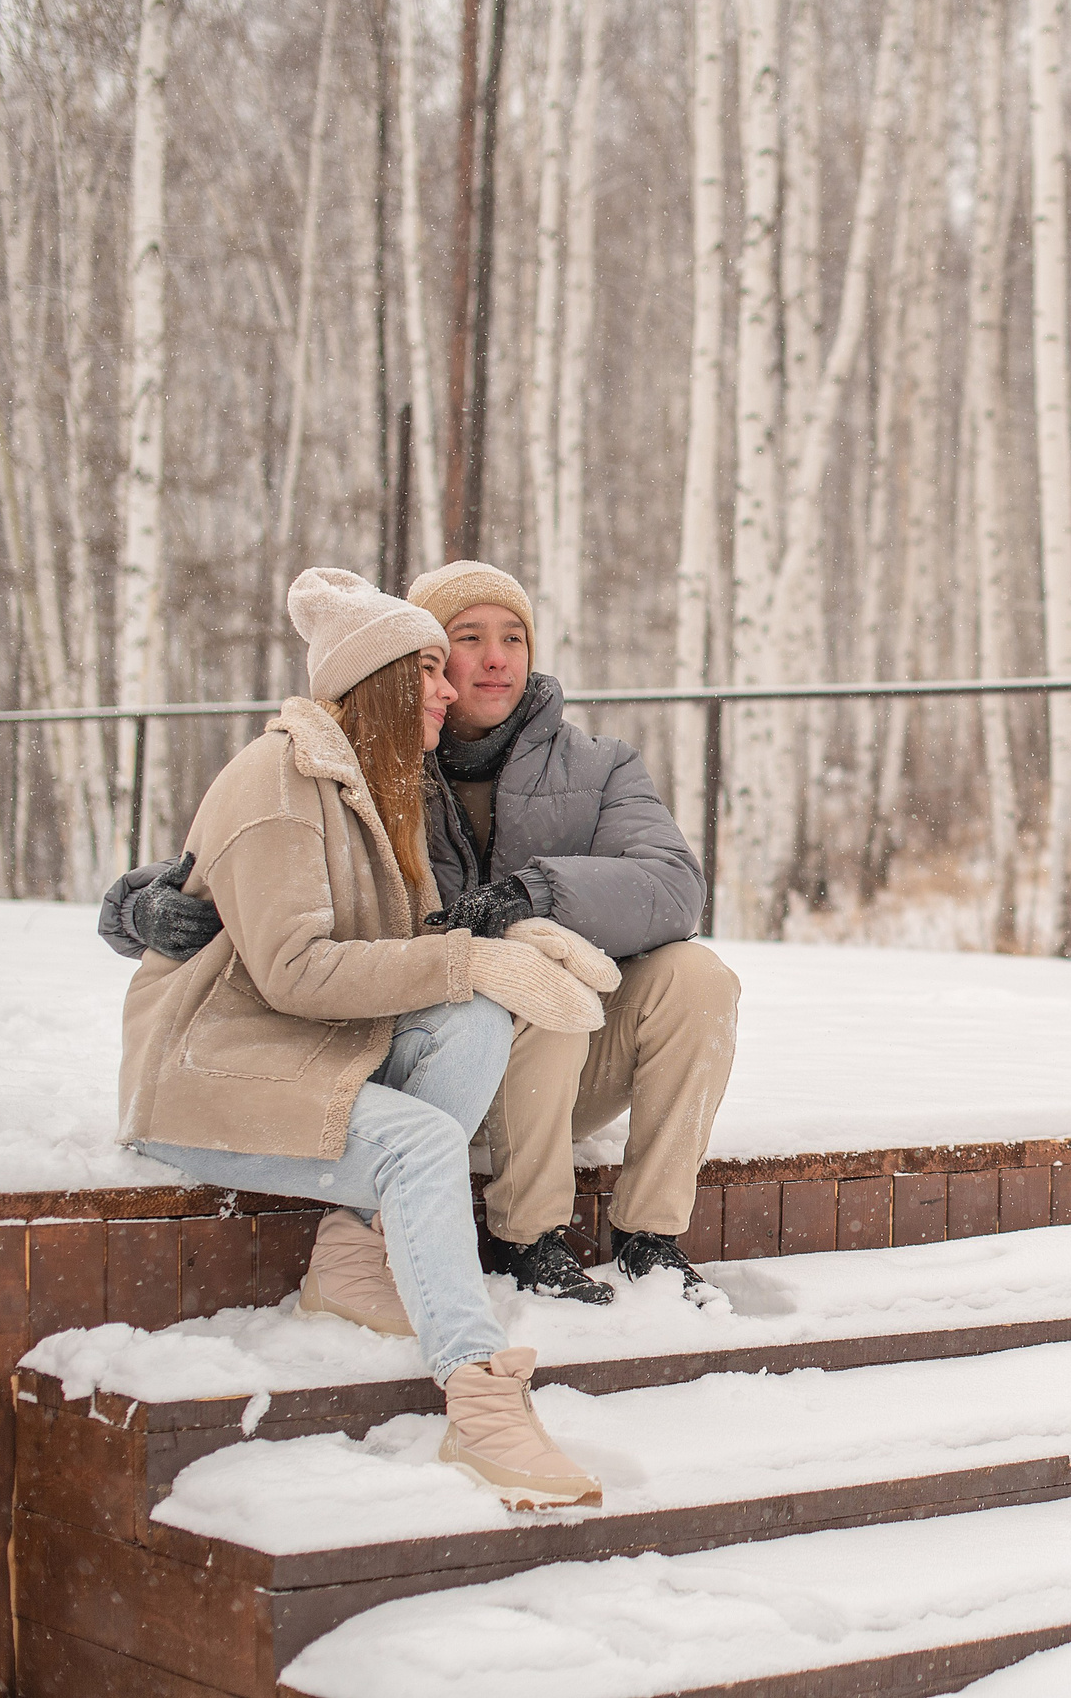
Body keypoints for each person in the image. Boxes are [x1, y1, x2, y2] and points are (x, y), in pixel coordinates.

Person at [101, 560, 740, 1308]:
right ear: (415, 660)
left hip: (555, 1070)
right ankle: (525, 1236)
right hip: (438, 1059)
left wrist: (536, 894)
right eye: (467, 639)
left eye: (514, 637)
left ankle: (649, 1236)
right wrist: (133, 903)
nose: (497, 658)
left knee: (697, 980)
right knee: (511, 990)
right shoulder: (380, 753)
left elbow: (673, 887)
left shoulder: (598, 767)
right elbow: (257, 854)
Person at [118, 567, 610, 1508]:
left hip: (302, 1056)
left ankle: (350, 1254)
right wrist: (465, 962)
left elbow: (408, 955)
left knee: (470, 1019)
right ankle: (482, 1402)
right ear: (377, 683)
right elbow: (297, 971)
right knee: (421, 1138)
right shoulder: (275, 780)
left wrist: (509, 949)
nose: (448, 686)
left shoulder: (378, 787)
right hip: (208, 1072)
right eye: (427, 669)